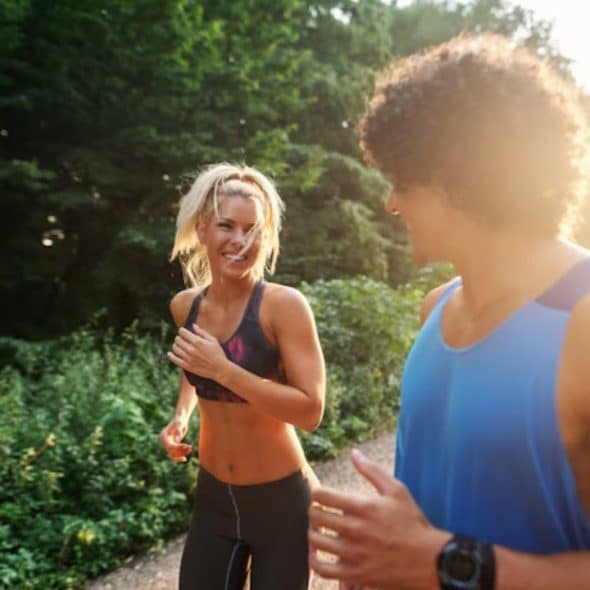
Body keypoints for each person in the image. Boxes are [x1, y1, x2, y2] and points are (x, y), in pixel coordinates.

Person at [308, 33, 590, 589]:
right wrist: (384, 553)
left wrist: (446, 563)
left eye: (401, 181)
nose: (390, 203)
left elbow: (436, 556)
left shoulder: (583, 323)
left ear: (455, 177)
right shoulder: (434, 310)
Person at [160, 162, 325, 590]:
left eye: (252, 229)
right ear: (201, 229)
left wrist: (225, 369)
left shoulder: (283, 307)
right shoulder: (185, 307)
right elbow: (193, 366)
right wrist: (181, 416)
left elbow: (310, 410)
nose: (240, 241)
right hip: (214, 499)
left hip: (282, 504)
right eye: (227, 226)